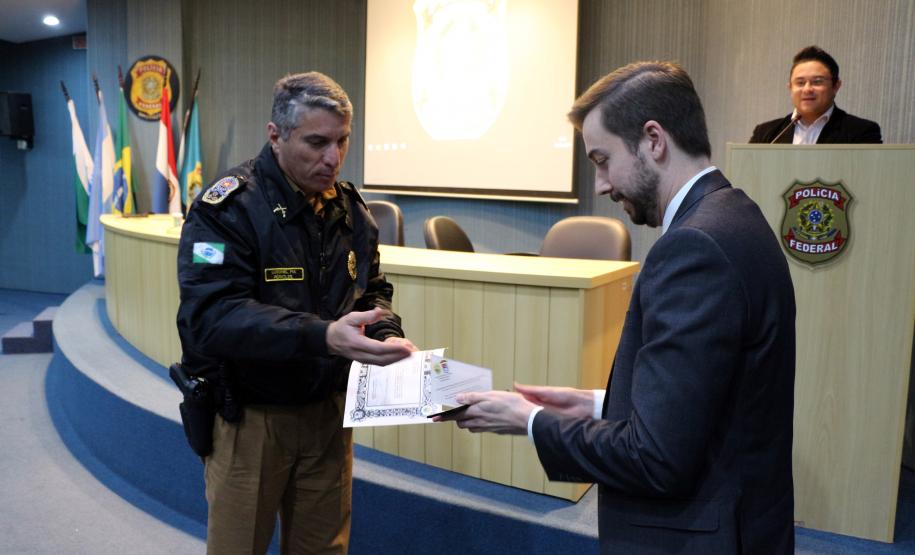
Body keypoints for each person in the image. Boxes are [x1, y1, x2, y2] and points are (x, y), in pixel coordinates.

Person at [446, 61, 797, 554]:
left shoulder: (694, 247)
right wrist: (597, 405)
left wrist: (530, 421)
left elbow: (656, 458)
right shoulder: (734, 214)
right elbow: (711, 395)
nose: (601, 185)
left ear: (653, 140)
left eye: (602, 159)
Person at [176, 71, 416, 555]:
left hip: (328, 414)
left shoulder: (350, 210)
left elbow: (371, 289)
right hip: (251, 419)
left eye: (342, 141)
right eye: (317, 142)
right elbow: (213, 317)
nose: (333, 158)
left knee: (324, 548)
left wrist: (384, 330)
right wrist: (323, 336)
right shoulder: (227, 208)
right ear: (276, 136)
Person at [750, 45, 882, 144]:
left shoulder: (861, 132)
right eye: (800, 83)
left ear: (836, 86)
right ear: (790, 87)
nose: (807, 89)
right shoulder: (765, 134)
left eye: (817, 82)